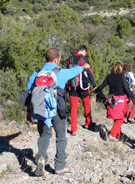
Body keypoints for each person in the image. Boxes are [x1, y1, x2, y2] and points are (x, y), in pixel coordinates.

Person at [26, 47, 90, 176]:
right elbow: (73, 71)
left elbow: (29, 92)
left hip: (41, 110)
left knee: (44, 135)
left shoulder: (37, 73)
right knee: (61, 137)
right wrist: (84, 67)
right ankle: (59, 166)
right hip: (57, 109)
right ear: (56, 59)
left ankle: (41, 158)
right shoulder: (60, 72)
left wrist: (29, 112)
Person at [94, 62, 135, 142]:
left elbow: (102, 86)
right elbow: (126, 88)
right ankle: (112, 134)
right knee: (120, 118)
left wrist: (96, 90)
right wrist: (132, 95)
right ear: (120, 68)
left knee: (116, 118)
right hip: (120, 100)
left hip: (111, 99)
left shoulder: (109, 77)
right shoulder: (121, 77)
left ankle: (118, 135)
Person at [66, 45, 96, 135]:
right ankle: (88, 123)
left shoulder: (70, 59)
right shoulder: (84, 59)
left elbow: (67, 71)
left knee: (73, 108)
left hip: (73, 86)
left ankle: (74, 129)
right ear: (84, 51)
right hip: (84, 86)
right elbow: (89, 72)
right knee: (86, 104)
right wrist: (94, 85)